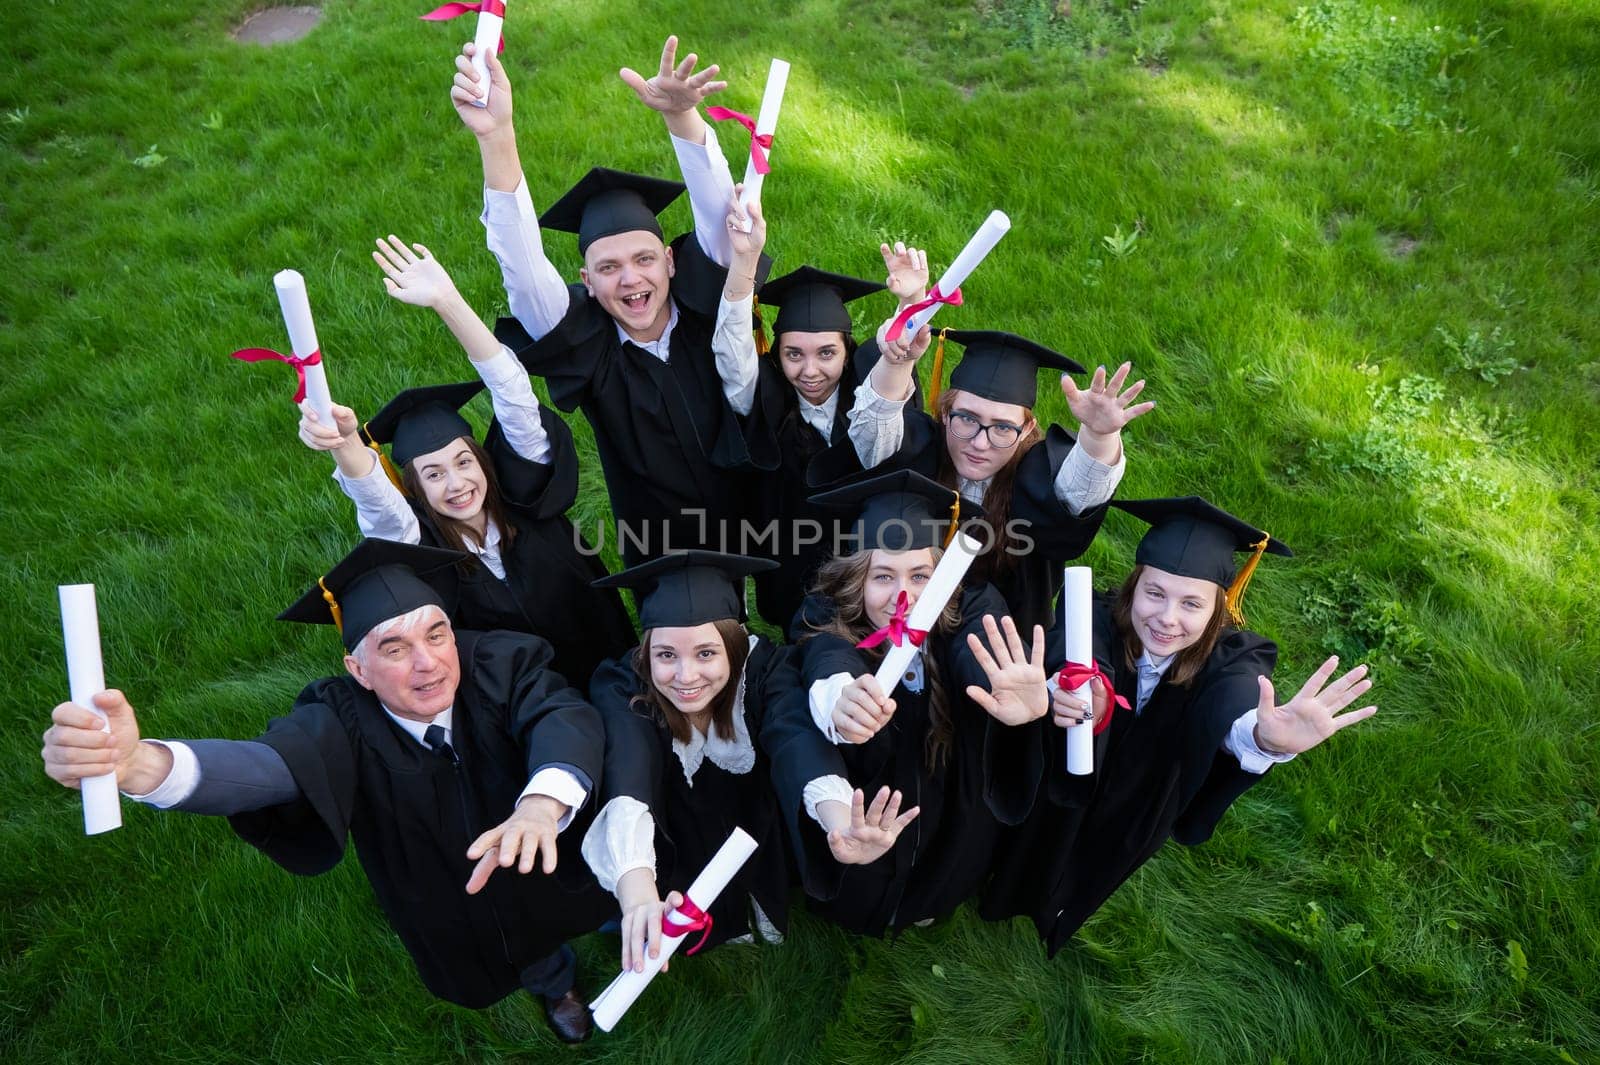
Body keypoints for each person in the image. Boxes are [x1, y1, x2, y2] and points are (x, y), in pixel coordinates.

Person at [38, 539, 617, 1042]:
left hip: (541, 843)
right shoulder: (338, 717)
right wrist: (141, 765)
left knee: (571, 904)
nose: (429, 664)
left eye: (437, 634)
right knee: (506, 945)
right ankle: (555, 985)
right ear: (358, 670)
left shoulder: (497, 662)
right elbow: (272, 767)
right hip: (442, 881)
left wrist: (541, 805)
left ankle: (604, 931)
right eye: (394, 648)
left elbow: (559, 714)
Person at [979, 497, 1378, 955]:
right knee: (1032, 847)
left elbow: (1232, 701)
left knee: (1097, 863)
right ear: (1135, 586)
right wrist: (1086, 688)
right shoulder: (1093, 615)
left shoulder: (1235, 658)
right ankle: (1001, 892)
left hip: (1138, 802)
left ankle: (1056, 910)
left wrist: (1262, 737)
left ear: (1219, 608)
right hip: (1067, 784)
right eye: (1155, 593)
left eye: (1191, 603)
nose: (1167, 618)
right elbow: (1081, 648)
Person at [453, 36, 773, 562]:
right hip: (661, 547)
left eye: (644, 260)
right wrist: (497, 137)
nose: (629, 280)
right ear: (586, 279)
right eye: (608, 268)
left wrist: (682, 120)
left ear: (671, 260)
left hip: (758, 504)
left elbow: (723, 221)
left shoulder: (705, 306)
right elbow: (524, 268)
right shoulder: (587, 346)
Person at [297, 236, 634, 686]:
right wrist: (345, 444)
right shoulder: (422, 550)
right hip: (523, 704)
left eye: (463, 462)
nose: (456, 484)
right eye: (433, 474)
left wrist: (448, 302)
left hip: (610, 668)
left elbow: (514, 394)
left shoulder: (525, 493)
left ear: (482, 460)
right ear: (414, 488)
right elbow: (377, 499)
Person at [768, 469, 1039, 935]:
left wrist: (1003, 688)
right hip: (870, 794)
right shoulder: (829, 614)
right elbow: (825, 655)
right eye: (883, 577)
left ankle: (928, 898)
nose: (903, 597)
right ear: (855, 581)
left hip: (945, 788)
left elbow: (976, 640)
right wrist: (840, 698)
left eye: (920, 576)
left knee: (947, 849)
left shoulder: (970, 606)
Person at [579, 551, 872, 970]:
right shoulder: (622, 684)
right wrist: (638, 888)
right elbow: (629, 768)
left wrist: (840, 819)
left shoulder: (767, 669)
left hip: (755, 817)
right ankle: (721, 923)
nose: (685, 677)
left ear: (733, 649)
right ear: (646, 653)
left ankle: (763, 905)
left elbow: (796, 739)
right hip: (679, 825)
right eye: (666, 655)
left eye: (705, 654)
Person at [814, 323, 1155, 635]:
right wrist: (896, 362)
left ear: (1027, 430)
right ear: (945, 413)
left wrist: (1098, 437)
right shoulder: (917, 451)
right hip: (900, 619)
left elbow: (1081, 487)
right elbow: (876, 431)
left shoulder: (1039, 473)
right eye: (966, 419)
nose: (980, 442)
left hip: (1006, 632)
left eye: (1003, 428)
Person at [735, 245, 929, 631]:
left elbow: (897, 352)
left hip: (873, 553)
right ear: (776, 355)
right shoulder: (766, 399)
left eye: (826, 353)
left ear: (846, 350)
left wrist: (912, 300)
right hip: (793, 554)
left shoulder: (869, 389)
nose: (810, 372)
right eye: (793, 355)